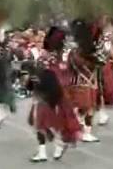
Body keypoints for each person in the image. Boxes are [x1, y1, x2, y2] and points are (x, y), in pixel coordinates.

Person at [27, 27, 81, 162]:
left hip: (46, 93)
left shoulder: (47, 58)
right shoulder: (63, 57)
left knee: (40, 122)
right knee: (51, 121)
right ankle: (57, 144)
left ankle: (44, 150)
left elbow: (40, 74)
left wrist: (32, 81)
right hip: (59, 92)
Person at [66, 20, 103, 142]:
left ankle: (83, 129)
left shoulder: (84, 52)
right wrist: (94, 60)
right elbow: (81, 65)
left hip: (86, 83)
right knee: (85, 108)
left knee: (86, 108)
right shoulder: (77, 53)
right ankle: (83, 130)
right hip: (82, 83)